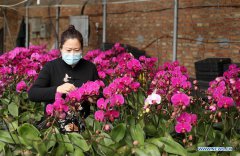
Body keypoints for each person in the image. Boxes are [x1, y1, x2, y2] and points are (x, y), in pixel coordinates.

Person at [28, 25, 99, 132]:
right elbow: (33, 94)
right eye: (68, 50)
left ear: (82, 50)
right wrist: (57, 89)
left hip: (84, 129)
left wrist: (94, 98)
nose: (72, 54)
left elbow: (102, 95)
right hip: (54, 128)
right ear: (61, 48)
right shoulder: (51, 67)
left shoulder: (90, 68)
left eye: (76, 50)